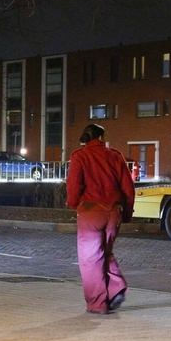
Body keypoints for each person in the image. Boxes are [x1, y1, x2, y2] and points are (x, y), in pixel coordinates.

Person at [66, 123, 136, 314]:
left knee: (90, 259)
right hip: (113, 213)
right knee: (104, 252)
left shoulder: (79, 157)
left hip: (90, 212)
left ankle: (98, 303)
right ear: (100, 138)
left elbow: (73, 187)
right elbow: (128, 188)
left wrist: (75, 205)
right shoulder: (115, 156)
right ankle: (116, 288)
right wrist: (127, 213)